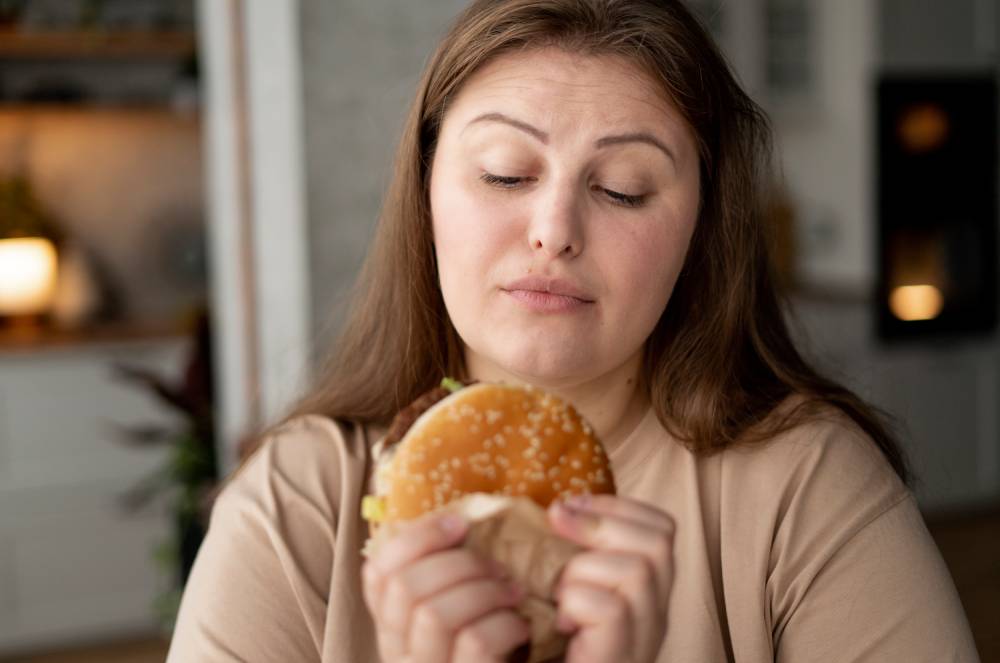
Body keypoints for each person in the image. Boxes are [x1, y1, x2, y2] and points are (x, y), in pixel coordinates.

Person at [167, 1, 980, 661]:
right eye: (505, 173)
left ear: (702, 225)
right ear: (425, 191)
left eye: (625, 189)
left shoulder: (807, 488)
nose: (554, 229)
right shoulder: (297, 506)